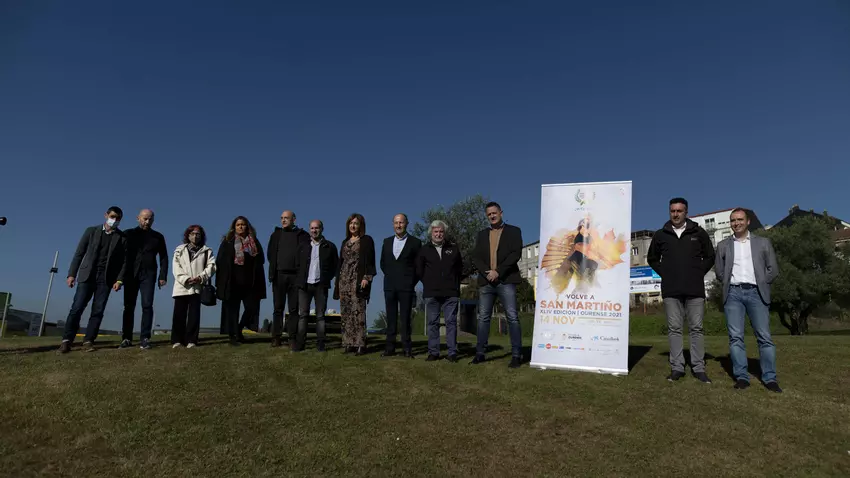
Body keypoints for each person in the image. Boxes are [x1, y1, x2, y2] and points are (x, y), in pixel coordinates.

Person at [647, 197, 716, 383]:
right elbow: (652, 259)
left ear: (686, 212)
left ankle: (698, 367)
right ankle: (677, 367)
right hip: (671, 290)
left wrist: (698, 272)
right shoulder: (660, 235)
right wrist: (665, 273)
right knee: (674, 329)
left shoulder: (698, 232)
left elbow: (710, 256)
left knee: (696, 328)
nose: (676, 214)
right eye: (673, 211)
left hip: (695, 289)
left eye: (679, 211)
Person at [715, 208, 782, 392]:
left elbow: (773, 269)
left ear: (748, 221)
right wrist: (728, 282)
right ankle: (741, 377)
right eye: (733, 220)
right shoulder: (723, 245)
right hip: (733, 294)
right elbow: (719, 271)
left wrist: (761, 282)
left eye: (740, 219)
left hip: (756, 292)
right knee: (735, 337)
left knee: (764, 337)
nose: (736, 223)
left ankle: (770, 378)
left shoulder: (763, 242)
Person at [58, 206, 127, 353]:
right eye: (113, 217)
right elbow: (79, 253)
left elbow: (124, 262)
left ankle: (89, 340)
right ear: (106, 215)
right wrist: (71, 274)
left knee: (98, 310)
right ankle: (67, 340)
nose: (115, 220)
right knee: (77, 308)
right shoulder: (91, 231)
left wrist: (119, 280)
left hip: (106, 279)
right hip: (87, 275)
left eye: (118, 218)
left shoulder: (122, 238)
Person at [470, 202, 524, 368]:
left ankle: (516, 355)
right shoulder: (481, 235)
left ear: (501, 213)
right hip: (486, 282)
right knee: (483, 318)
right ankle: (480, 353)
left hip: (506, 280)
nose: (492, 216)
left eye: (494, 213)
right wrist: (487, 272)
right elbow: (476, 257)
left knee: (512, 317)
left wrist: (498, 272)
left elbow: (515, 254)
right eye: (489, 214)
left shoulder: (514, 231)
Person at [120, 209, 169, 350]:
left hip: (148, 274)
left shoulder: (158, 237)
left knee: (147, 305)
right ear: (138, 218)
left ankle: (145, 338)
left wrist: (162, 276)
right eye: (145, 219)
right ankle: (126, 338)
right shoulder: (128, 234)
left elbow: (164, 257)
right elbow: (120, 255)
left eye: (150, 219)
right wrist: (119, 277)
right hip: (131, 274)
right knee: (129, 306)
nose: (147, 222)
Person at [416, 220, 463, 362]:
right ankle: (433, 352)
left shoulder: (453, 249)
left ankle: (452, 352)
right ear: (431, 233)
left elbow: (459, 269)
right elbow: (419, 270)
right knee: (432, 323)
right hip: (431, 292)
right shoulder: (424, 250)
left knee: (451, 322)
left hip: (451, 292)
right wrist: (428, 283)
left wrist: (455, 284)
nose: (438, 234)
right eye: (436, 231)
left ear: (444, 233)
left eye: (441, 231)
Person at [215, 216, 266, 346]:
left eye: (243, 224)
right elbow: (220, 261)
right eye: (238, 225)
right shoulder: (228, 242)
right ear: (234, 227)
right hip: (232, 281)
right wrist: (220, 282)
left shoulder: (254, 241)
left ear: (247, 226)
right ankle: (233, 336)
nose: (241, 227)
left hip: (250, 282)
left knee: (252, 307)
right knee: (232, 310)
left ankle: (239, 328)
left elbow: (261, 259)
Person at [379, 213, 421, 358]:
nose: (398, 225)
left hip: (406, 286)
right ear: (393, 224)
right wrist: (391, 276)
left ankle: (407, 348)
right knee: (391, 319)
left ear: (407, 223)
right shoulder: (386, 242)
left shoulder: (415, 242)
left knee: (405, 319)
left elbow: (418, 266)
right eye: (396, 223)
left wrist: (411, 281)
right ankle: (389, 348)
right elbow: (383, 263)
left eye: (401, 222)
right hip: (389, 286)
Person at [333, 213, 376, 356]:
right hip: (344, 280)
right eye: (351, 223)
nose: (353, 226)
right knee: (346, 313)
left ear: (361, 226)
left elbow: (370, 261)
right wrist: (337, 283)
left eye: (356, 223)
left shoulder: (366, 240)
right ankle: (348, 343)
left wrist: (367, 278)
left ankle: (360, 344)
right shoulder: (345, 242)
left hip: (358, 280)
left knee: (358, 313)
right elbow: (340, 263)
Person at [267, 210, 310, 349]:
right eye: (282, 218)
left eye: (286, 218)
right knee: (277, 308)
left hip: (295, 277)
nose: (283, 220)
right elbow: (270, 254)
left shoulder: (302, 235)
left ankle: (292, 338)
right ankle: (276, 337)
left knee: (293, 309)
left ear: (294, 219)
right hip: (279, 275)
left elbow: (307, 255)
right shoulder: (276, 235)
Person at [294, 220, 338, 352]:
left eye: (317, 228)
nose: (314, 230)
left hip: (321, 285)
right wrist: (300, 278)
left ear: (322, 229)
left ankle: (321, 343)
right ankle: (300, 343)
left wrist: (327, 278)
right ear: (309, 230)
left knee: (320, 316)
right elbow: (297, 264)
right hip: (304, 285)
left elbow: (335, 265)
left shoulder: (329, 246)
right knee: (303, 315)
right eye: (312, 228)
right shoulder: (303, 246)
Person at [171, 225, 215, 349]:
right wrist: (185, 279)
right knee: (179, 314)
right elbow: (176, 266)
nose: (195, 236)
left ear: (201, 236)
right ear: (188, 235)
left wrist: (200, 277)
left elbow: (211, 267)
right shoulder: (180, 249)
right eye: (192, 234)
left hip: (197, 286)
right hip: (181, 286)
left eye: (198, 234)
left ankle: (191, 340)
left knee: (194, 315)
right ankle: (177, 340)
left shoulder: (207, 251)